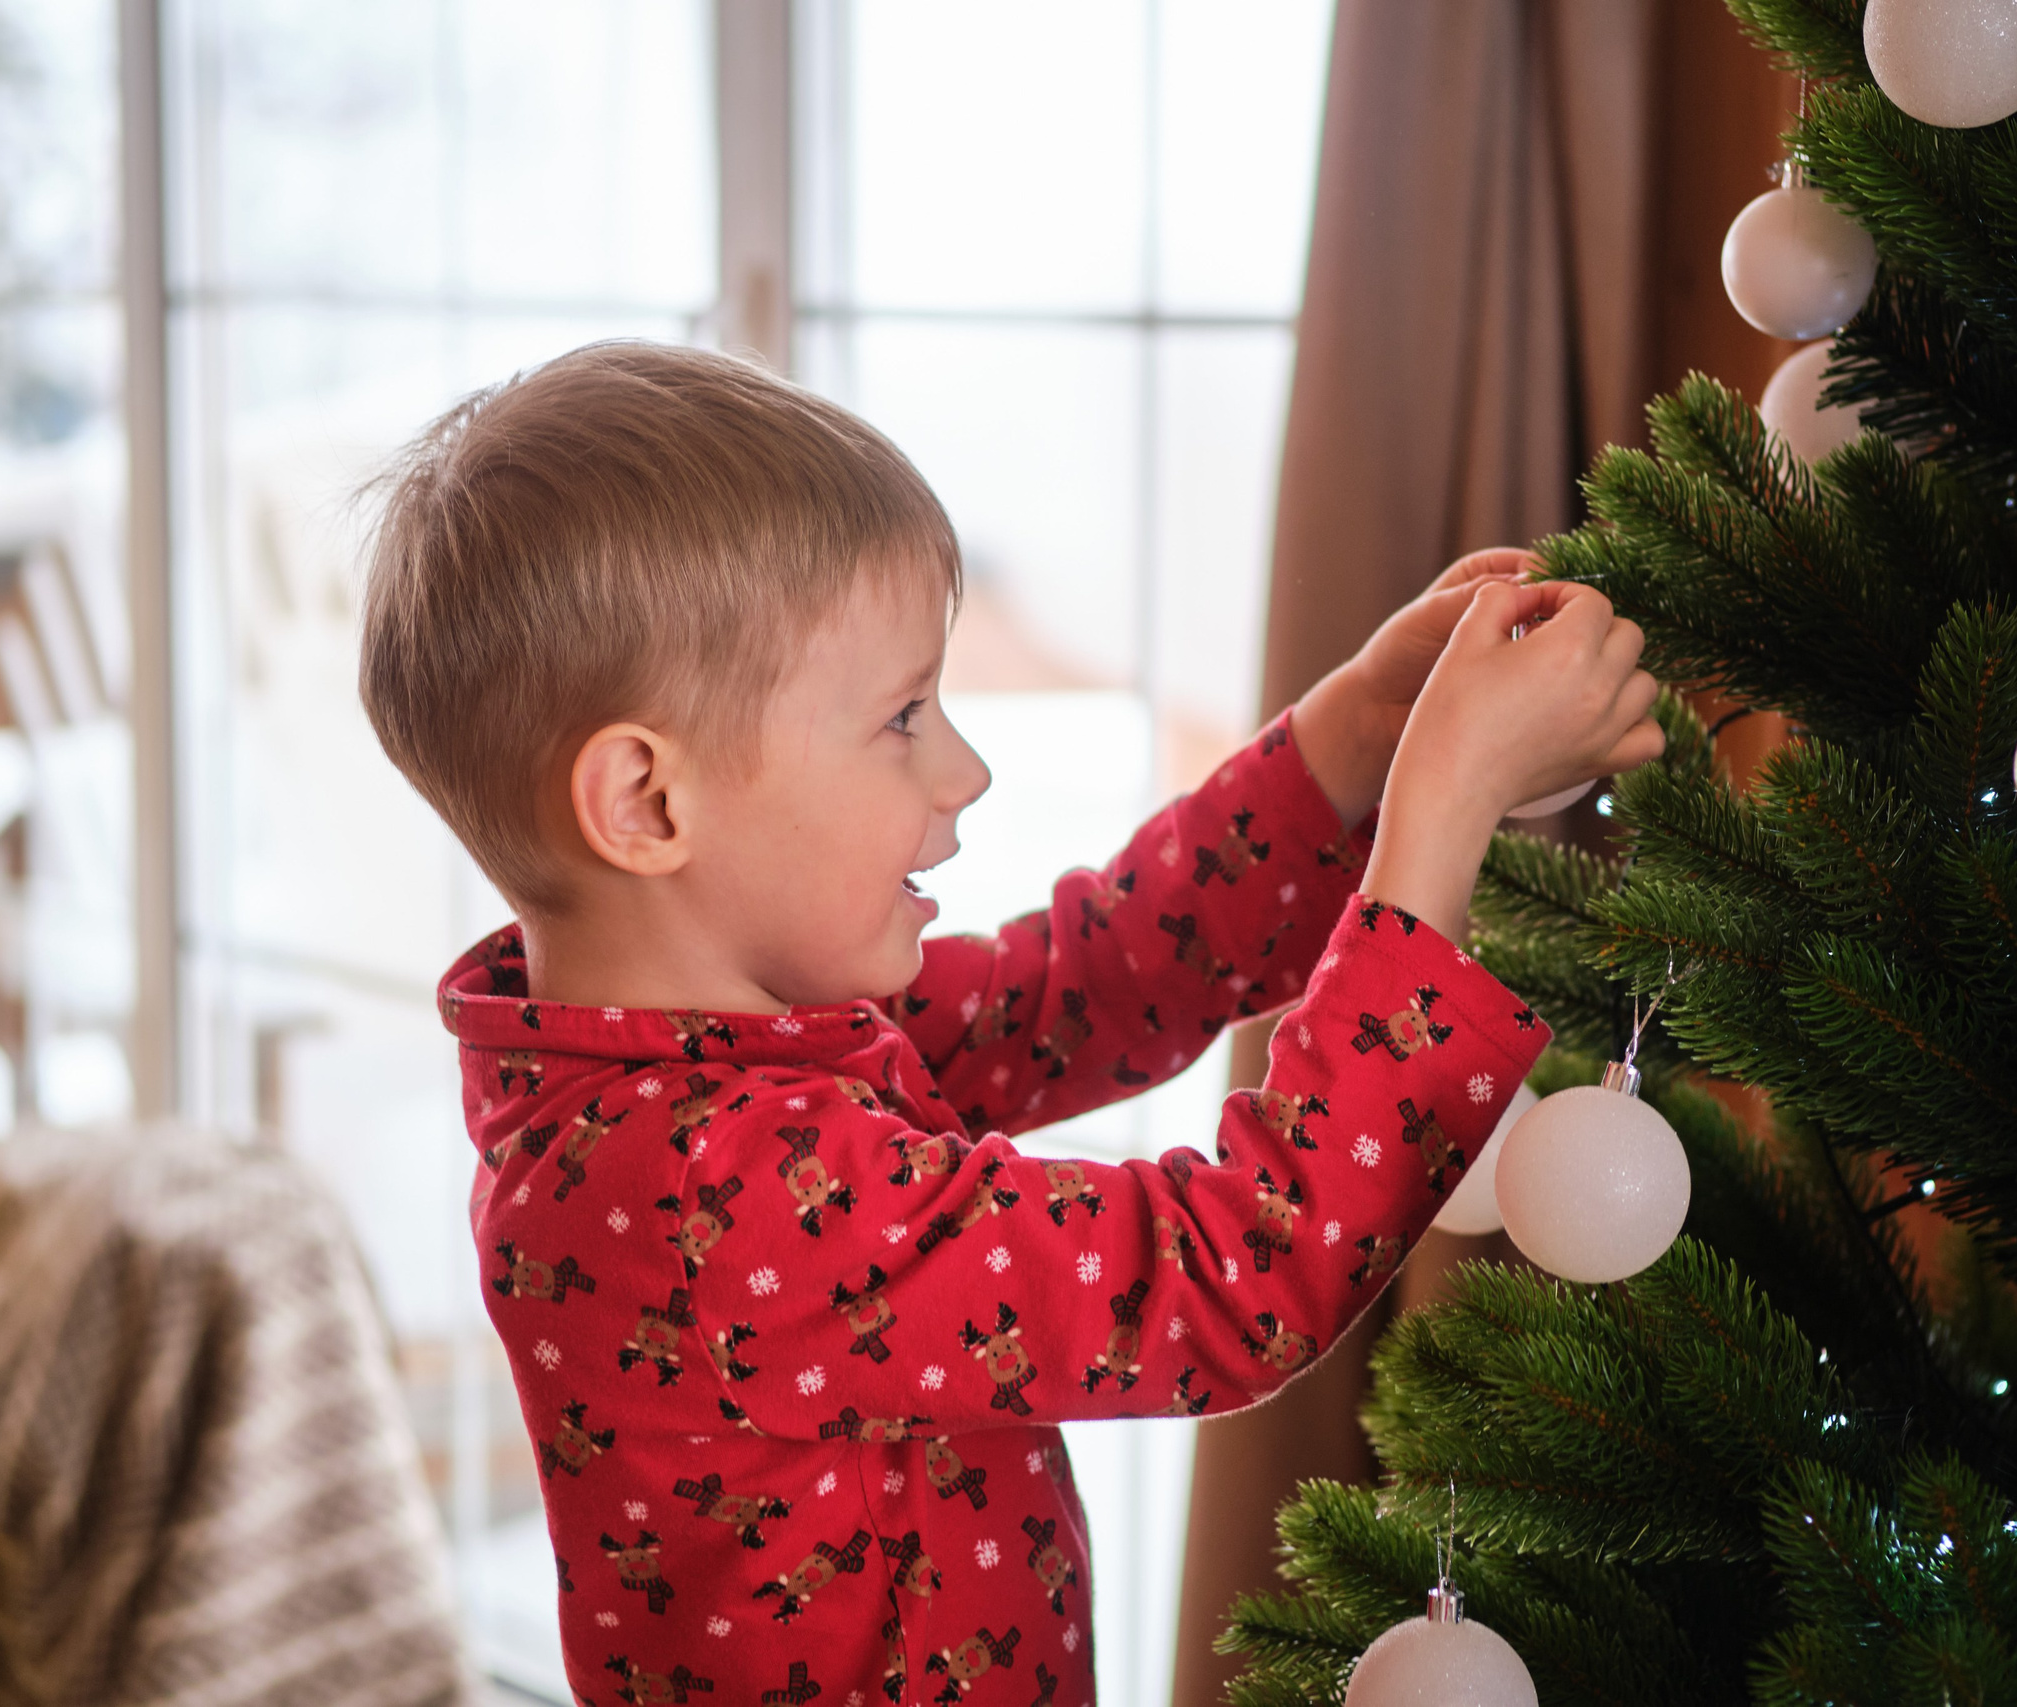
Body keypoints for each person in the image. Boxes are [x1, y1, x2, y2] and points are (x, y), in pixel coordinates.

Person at [361, 341, 1660, 1705]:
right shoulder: (718, 1190)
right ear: (646, 803)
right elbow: (1232, 1270)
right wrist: (1439, 813)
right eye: (901, 718)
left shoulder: (697, 1049)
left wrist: (1343, 749)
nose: (963, 772)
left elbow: (1084, 983)